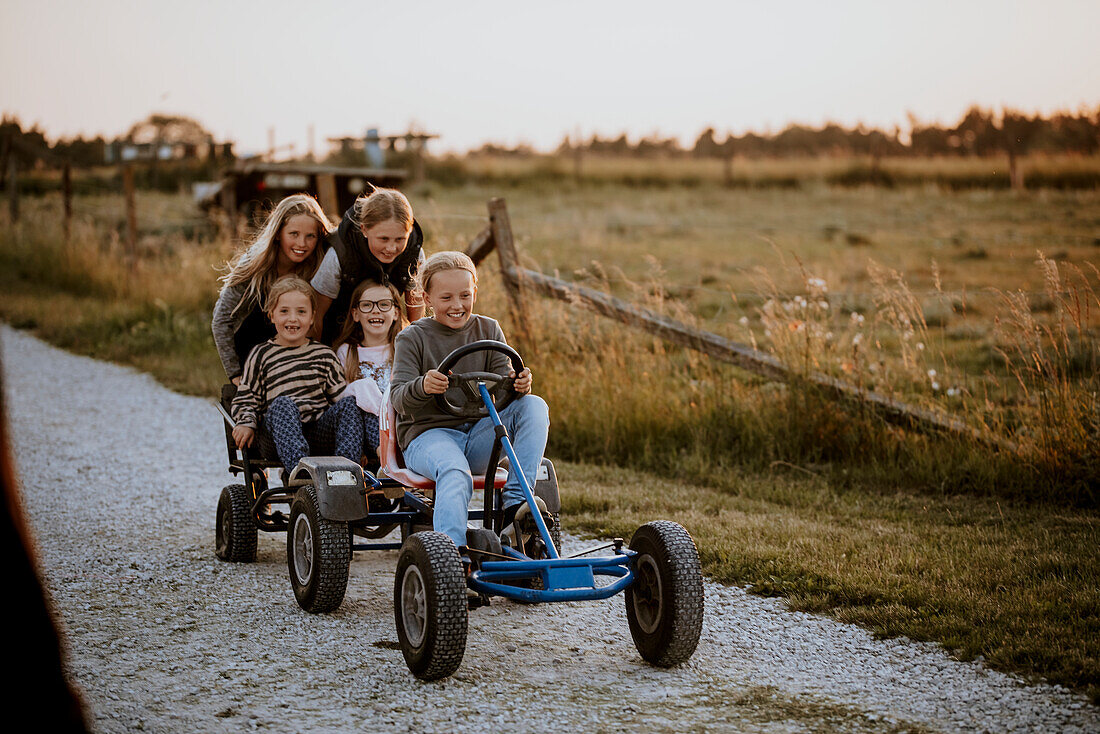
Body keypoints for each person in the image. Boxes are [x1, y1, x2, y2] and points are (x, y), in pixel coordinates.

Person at [389, 251, 550, 557]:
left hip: (478, 434)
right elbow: (398, 396)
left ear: (475, 292)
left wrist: (520, 385)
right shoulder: (412, 337)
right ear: (427, 298)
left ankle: (516, 504)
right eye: (446, 297)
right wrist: (423, 385)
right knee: (455, 471)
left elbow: (505, 390)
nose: (457, 305)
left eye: (465, 295)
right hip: (428, 436)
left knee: (535, 406)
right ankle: (451, 556)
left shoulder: (488, 329)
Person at [231, 277, 362, 475]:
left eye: (301, 312)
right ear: (272, 315)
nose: (293, 318)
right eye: (284, 311)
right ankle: (300, 472)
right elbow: (247, 398)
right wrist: (246, 422)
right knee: (283, 404)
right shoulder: (261, 355)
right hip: (276, 437)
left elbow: (340, 398)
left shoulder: (323, 355)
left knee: (350, 404)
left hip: (317, 434)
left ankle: (346, 471)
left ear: (312, 317)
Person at [212, 194, 333, 384]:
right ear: (278, 233)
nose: (302, 243)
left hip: (300, 359)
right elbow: (221, 319)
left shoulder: (320, 265)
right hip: (253, 358)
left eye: (310, 236)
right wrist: (236, 375)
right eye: (294, 234)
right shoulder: (254, 264)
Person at [310, 186, 426, 344]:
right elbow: (317, 315)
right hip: (338, 334)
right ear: (364, 229)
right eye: (383, 239)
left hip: (385, 335)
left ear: (409, 231)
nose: (391, 248)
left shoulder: (413, 252)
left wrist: (414, 351)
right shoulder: (340, 253)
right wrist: (318, 355)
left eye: (400, 239)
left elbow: (416, 311)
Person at [333, 278, 408, 462]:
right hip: (356, 431)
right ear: (355, 314)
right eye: (367, 305)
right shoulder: (346, 352)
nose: (376, 310)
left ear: (396, 313)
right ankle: (383, 462)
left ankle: (388, 462)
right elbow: (339, 397)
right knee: (359, 398)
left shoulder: (403, 351)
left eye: (384, 304)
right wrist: (364, 391)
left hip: (395, 427)